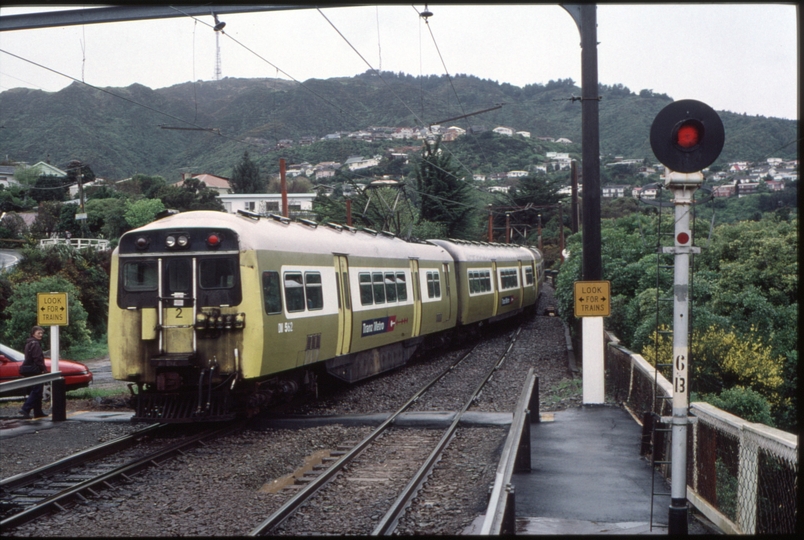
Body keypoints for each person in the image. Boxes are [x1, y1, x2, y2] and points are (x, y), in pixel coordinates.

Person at [19, 326, 48, 419]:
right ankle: (25, 408)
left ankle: (38, 411)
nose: (41, 335)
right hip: (35, 370)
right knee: (37, 390)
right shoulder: (35, 344)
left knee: (37, 390)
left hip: (29, 370)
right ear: (33, 333)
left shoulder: (29, 343)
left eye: (41, 333)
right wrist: (43, 368)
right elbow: (37, 358)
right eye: (38, 333)